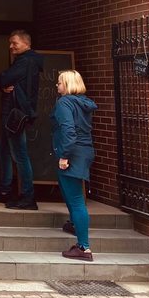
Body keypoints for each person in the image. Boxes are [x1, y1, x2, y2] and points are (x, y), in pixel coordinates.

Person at [0, 30, 44, 210]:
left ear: (26, 43)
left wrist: (2, 81)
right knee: (3, 149)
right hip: (11, 113)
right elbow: (5, 82)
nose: (11, 46)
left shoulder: (27, 61)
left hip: (16, 114)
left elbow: (4, 77)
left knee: (19, 154)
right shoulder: (23, 60)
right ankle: (4, 190)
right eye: (10, 43)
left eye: (14, 43)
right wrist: (3, 86)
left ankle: (28, 197)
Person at [52, 70, 98, 261]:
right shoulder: (83, 102)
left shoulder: (64, 103)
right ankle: (74, 224)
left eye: (60, 82)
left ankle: (84, 248)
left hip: (72, 153)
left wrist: (64, 155)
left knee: (76, 199)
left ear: (68, 85)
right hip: (84, 151)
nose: (57, 85)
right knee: (70, 193)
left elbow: (68, 130)